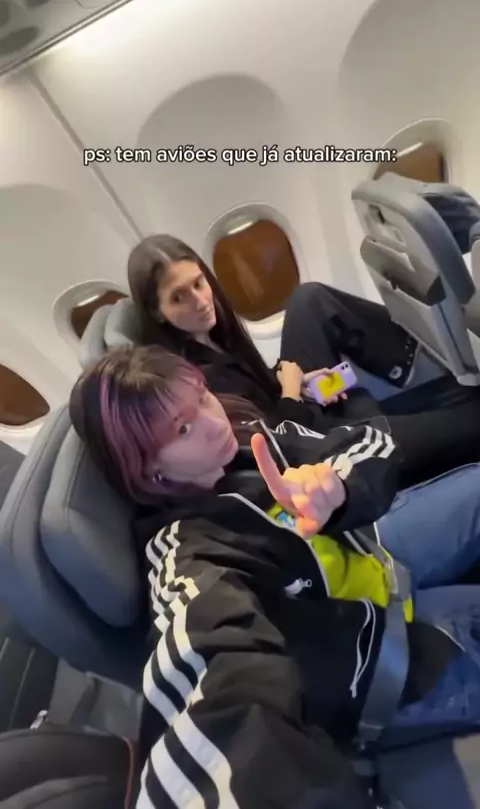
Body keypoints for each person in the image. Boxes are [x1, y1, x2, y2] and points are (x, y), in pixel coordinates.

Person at [68, 343, 480, 808]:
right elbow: (215, 672)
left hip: (373, 557)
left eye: (202, 396)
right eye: (182, 428)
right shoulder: (186, 551)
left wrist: (340, 489)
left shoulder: (247, 445)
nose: (213, 422)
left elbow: (363, 442)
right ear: (146, 466)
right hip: (382, 654)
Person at [125, 234, 480, 489]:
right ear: (157, 313)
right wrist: (292, 393)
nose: (200, 301)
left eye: (199, 283)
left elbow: (254, 392)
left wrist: (294, 382)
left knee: (309, 300)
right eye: (178, 298)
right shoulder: (194, 386)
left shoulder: (216, 337)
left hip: (301, 412)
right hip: (316, 448)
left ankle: (414, 358)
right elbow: (278, 452)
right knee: (472, 418)